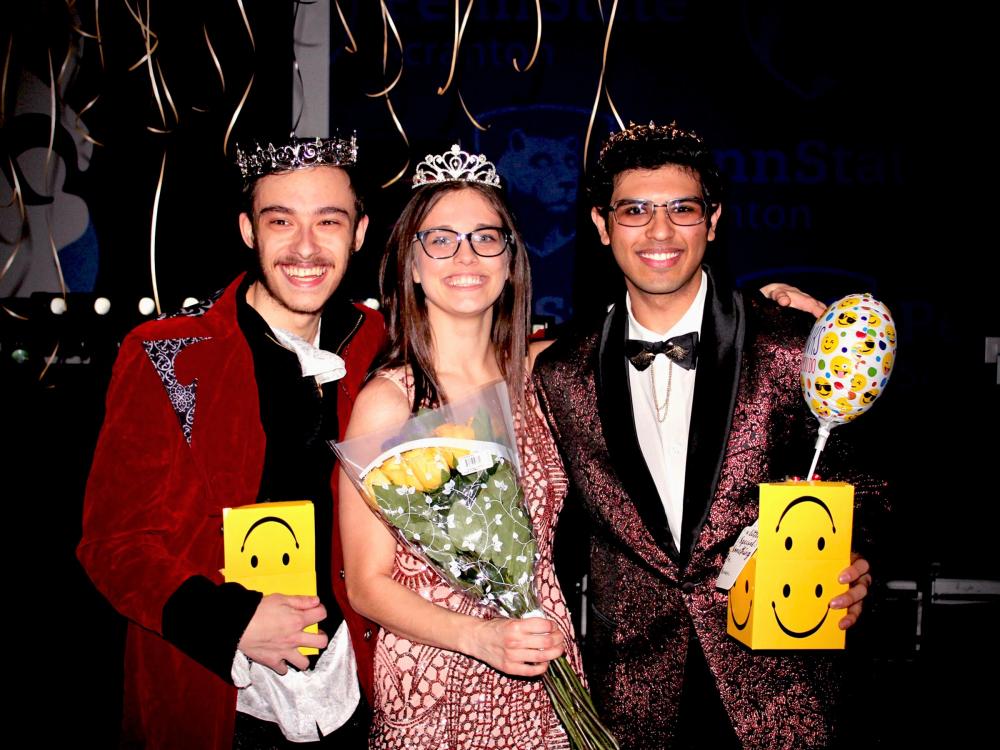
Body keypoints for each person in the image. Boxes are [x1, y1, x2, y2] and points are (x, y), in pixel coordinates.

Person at [532, 122, 884, 749]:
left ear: (713, 221)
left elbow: (867, 482)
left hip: (779, 682)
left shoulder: (787, 344)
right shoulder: (560, 373)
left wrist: (859, 561)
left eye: (681, 209)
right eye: (635, 210)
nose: (659, 232)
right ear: (601, 224)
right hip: (634, 688)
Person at [78, 135, 384, 748]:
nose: (305, 248)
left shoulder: (377, 341)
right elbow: (114, 544)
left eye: (328, 221)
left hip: (356, 689)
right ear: (248, 230)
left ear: (359, 233)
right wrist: (232, 624)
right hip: (220, 696)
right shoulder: (166, 354)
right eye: (280, 221)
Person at [338, 145, 581, 748]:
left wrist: (773, 309)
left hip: (544, 658)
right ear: (412, 264)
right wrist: (481, 638)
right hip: (438, 680)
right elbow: (367, 584)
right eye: (440, 239)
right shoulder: (390, 401)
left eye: (484, 238)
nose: (465, 256)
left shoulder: (543, 378)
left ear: (509, 262)